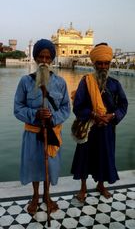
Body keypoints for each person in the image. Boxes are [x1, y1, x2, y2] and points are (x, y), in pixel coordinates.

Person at [14, 39, 70, 214]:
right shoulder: (25, 82)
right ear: (36, 59)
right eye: (41, 57)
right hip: (33, 132)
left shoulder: (60, 83)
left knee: (49, 166)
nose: (44, 61)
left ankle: (47, 195)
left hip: (52, 133)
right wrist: (35, 115)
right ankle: (35, 196)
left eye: (47, 57)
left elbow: (66, 108)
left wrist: (53, 117)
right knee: (34, 165)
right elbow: (17, 108)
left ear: (52, 59)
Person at [71, 42, 128, 201]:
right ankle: (83, 188)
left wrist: (113, 116)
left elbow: (123, 105)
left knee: (104, 156)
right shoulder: (86, 81)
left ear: (109, 64)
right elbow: (77, 106)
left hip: (107, 128)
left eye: (106, 63)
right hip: (88, 127)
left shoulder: (114, 84)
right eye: (100, 63)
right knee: (84, 158)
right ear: (94, 63)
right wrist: (94, 115)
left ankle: (101, 185)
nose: (103, 66)